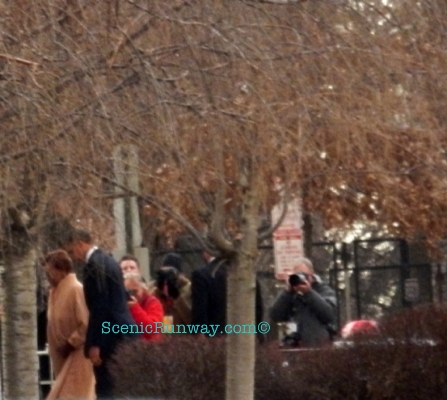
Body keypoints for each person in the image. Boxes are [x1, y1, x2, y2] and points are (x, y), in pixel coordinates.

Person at [63, 229, 137, 399]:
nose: (74, 256)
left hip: (111, 337)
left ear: (80, 244)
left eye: (73, 250)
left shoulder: (94, 267)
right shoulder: (109, 261)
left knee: (107, 389)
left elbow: (99, 308)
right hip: (124, 332)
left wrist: (96, 343)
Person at [43, 249, 95, 400]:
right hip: (61, 357)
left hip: (77, 354)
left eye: (50, 271)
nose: (47, 275)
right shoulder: (54, 293)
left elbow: (85, 323)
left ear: (63, 271)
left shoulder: (76, 289)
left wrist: (71, 343)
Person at [191, 251, 264, 340]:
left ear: (206, 253)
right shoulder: (247, 274)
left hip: (214, 336)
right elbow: (258, 308)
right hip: (244, 336)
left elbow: (200, 309)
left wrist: (199, 333)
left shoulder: (201, 275)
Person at [270, 257, 337, 348]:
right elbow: (276, 315)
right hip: (293, 345)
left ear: (312, 274)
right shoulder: (290, 294)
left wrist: (309, 293)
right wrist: (287, 292)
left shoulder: (324, 290)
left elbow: (328, 315)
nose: (301, 278)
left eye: (304, 275)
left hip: (318, 346)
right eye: (297, 275)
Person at [153, 252, 192, 326]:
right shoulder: (155, 288)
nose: (167, 277)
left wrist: (178, 298)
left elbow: (192, 321)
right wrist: (159, 290)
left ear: (180, 274)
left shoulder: (189, 290)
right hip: (163, 334)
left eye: (170, 273)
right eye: (164, 272)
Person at [124, 272, 164, 341]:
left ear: (143, 289)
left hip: (148, 347)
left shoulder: (153, 302)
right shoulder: (121, 303)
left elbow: (152, 330)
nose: (132, 295)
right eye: (128, 292)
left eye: (135, 291)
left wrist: (134, 308)